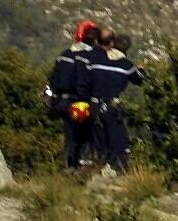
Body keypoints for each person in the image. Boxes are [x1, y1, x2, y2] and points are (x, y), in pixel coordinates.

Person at [45, 21, 101, 169]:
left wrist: (52, 100)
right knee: (85, 137)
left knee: (70, 137)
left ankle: (68, 165)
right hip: (82, 102)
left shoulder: (64, 55)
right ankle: (80, 166)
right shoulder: (91, 56)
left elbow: (53, 79)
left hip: (63, 103)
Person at [86, 31, 143, 173]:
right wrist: (142, 69)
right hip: (112, 107)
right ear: (127, 49)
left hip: (94, 106)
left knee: (100, 142)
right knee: (119, 142)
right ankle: (116, 171)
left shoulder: (97, 61)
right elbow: (139, 79)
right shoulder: (125, 65)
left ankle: (99, 169)